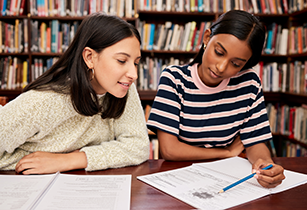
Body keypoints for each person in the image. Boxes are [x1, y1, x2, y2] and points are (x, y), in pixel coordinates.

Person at [147, 10, 285, 188]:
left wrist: (265, 164)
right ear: (206, 38)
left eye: (236, 64)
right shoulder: (174, 79)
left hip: (225, 176)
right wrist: (226, 152)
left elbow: (255, 142)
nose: (221, 67)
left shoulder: (248, 83)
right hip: (179, 178)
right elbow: (170, 150)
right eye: (219, 52)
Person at [0, 12, 149, 174]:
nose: (133, 74)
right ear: (90, 57)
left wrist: (68, 160)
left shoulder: (123, 86)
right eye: (122, 61)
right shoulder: (43, 101)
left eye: (136, 63)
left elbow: (138, 146)